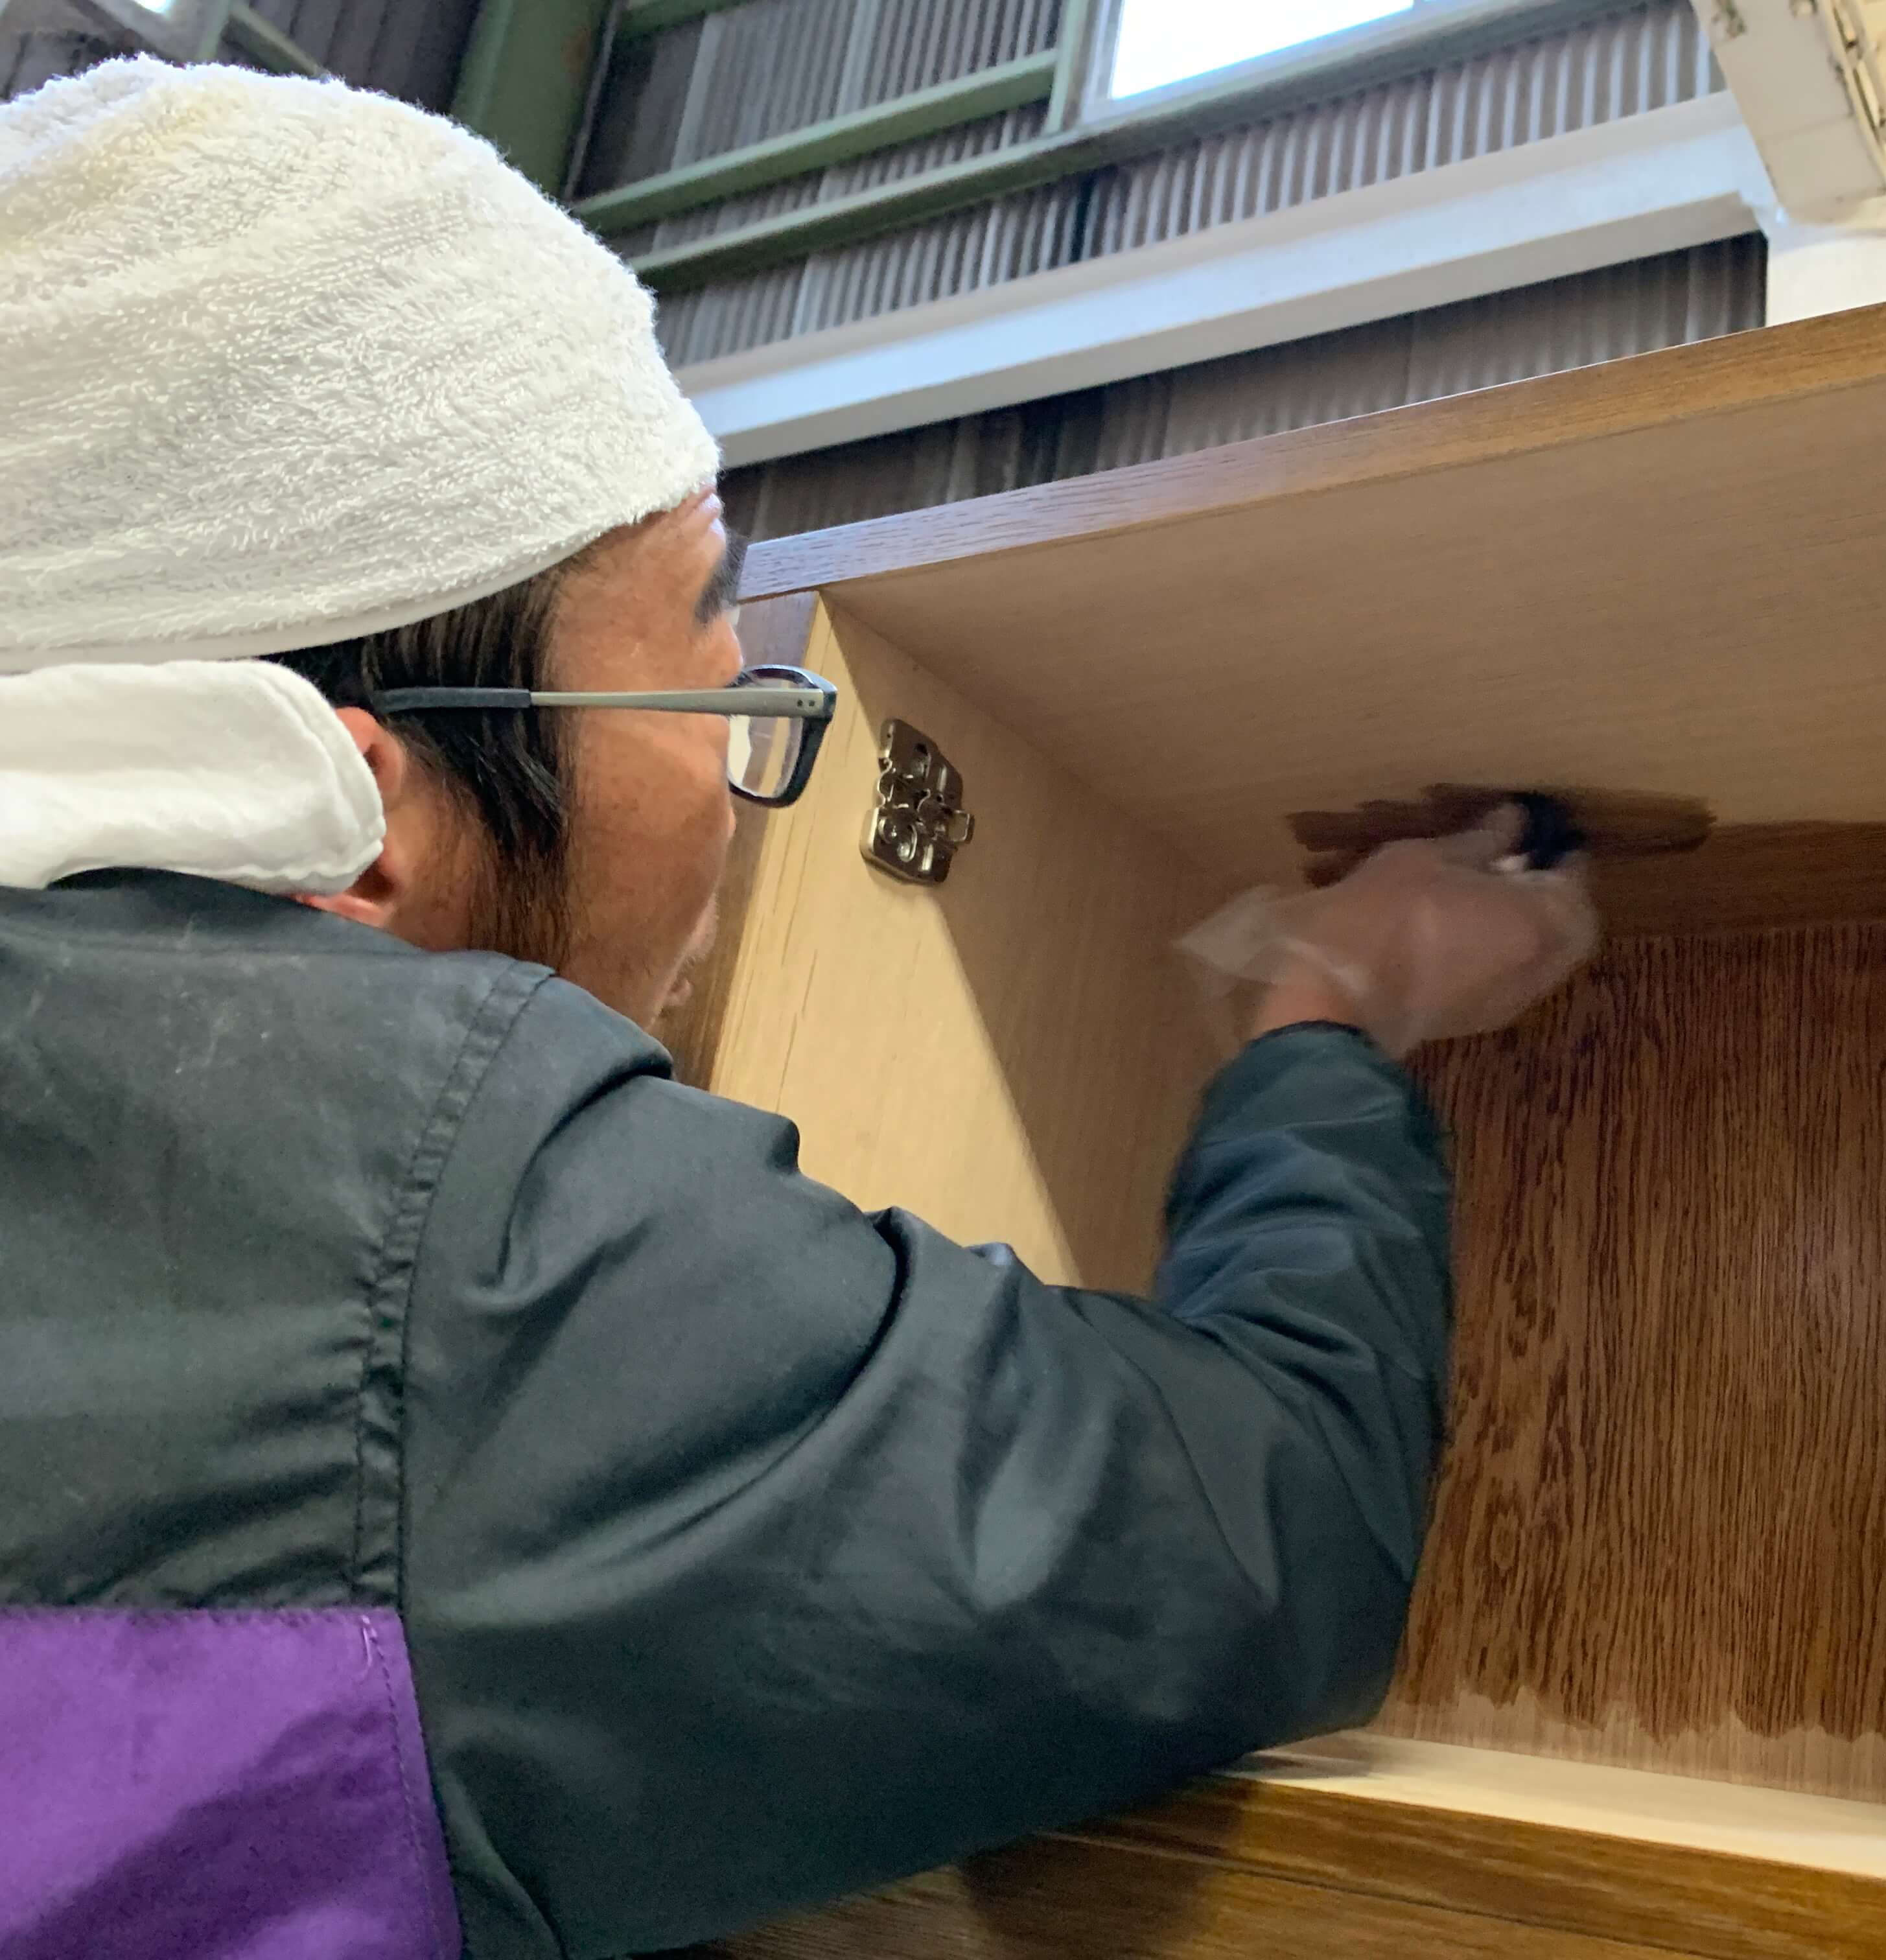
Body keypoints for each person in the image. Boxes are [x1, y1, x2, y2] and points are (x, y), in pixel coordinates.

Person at [0, 57, 1596, 1960]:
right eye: (702, 653)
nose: (742, 779)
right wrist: (1335, 1010)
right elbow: (1277, 1525)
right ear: (361, 827)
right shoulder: (438, 1259)